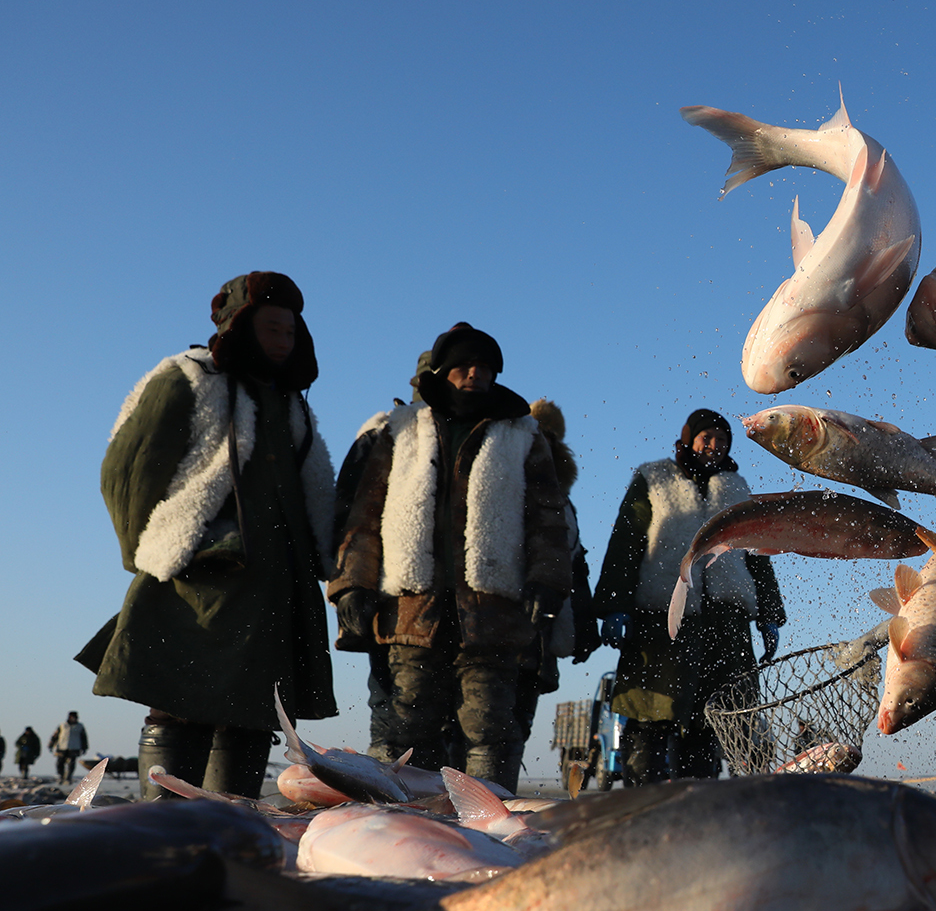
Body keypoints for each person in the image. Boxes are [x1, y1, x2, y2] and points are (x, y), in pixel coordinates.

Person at [78, 272, 337, 798]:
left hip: (273, 589)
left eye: (291, 331)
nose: (284, 341)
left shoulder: (290, 406)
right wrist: (156, 553)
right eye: (272, 328)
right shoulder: (187, 379)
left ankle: (228, 829)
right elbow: (126, 473)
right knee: (180, 701)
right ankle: (163, 831)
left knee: (254, 710)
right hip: (198, 581)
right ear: (240, 326)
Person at [329, 323, 571, 792]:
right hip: (412, 611)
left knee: (489, 732)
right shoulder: (401, 430)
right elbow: (366, 514)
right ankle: (402, 835)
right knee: (408, 732)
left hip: (492, 613)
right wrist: (351, 584)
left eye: (484, 366)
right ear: (443, 370)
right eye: (464, 365)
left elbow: (547, 520)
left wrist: (548, 583)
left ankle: (487, 837)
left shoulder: (522, 436)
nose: (475, 373)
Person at [595, 410, 784, 782]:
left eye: (722, 440)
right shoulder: (654, 478)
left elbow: (759, 552)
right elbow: (627, 542)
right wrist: (616, 606)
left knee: (713, 721)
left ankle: (697, 808)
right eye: (706, 438)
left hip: (727, 623)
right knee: (651, 714)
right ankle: (642, 808)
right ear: (689, 439)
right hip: (664, 619)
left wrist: (769, 612)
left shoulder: (737, 488)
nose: (714, 446)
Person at [333, 352, 426, 760]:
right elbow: (351, 517)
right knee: (390, 705)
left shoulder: (485, 436)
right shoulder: (383, 432)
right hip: (389, 597)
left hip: (448, 605)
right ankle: (388, 800)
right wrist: (351, 586)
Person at [516, 397, 600, 744]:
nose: (544, 439)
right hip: (496, 625)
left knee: (516, 726)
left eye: (551, 433)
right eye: (537, 429)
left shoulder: (565, 505)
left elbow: (574, 568)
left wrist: (584, 626)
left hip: (542, 633)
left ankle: (494, 797)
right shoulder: (506, 483)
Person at [50, 712, 88, 782]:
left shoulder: (80, 726)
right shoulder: (62, 725)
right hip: (62, 747)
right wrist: (51, 744)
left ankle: (68, 777)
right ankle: (61, 776)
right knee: (60, 763)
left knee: (71, 764)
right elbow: (55, 735)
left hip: (74, 747)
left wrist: (85, 747)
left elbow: (83, 738)